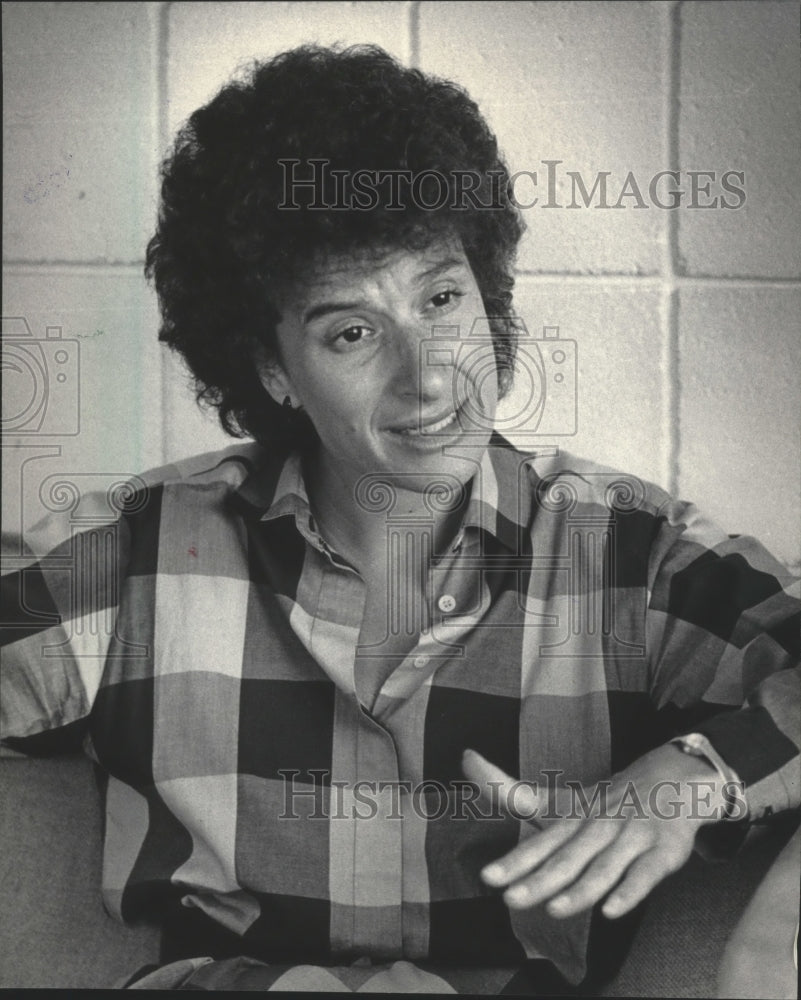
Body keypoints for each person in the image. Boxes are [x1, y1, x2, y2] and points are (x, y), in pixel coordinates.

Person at [1, 44, 798, 994]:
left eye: (442, 298)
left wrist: (689, 774)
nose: (428, 377)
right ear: (268, 369)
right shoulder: (133, 558)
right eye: (351, 331)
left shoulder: (627, 558)